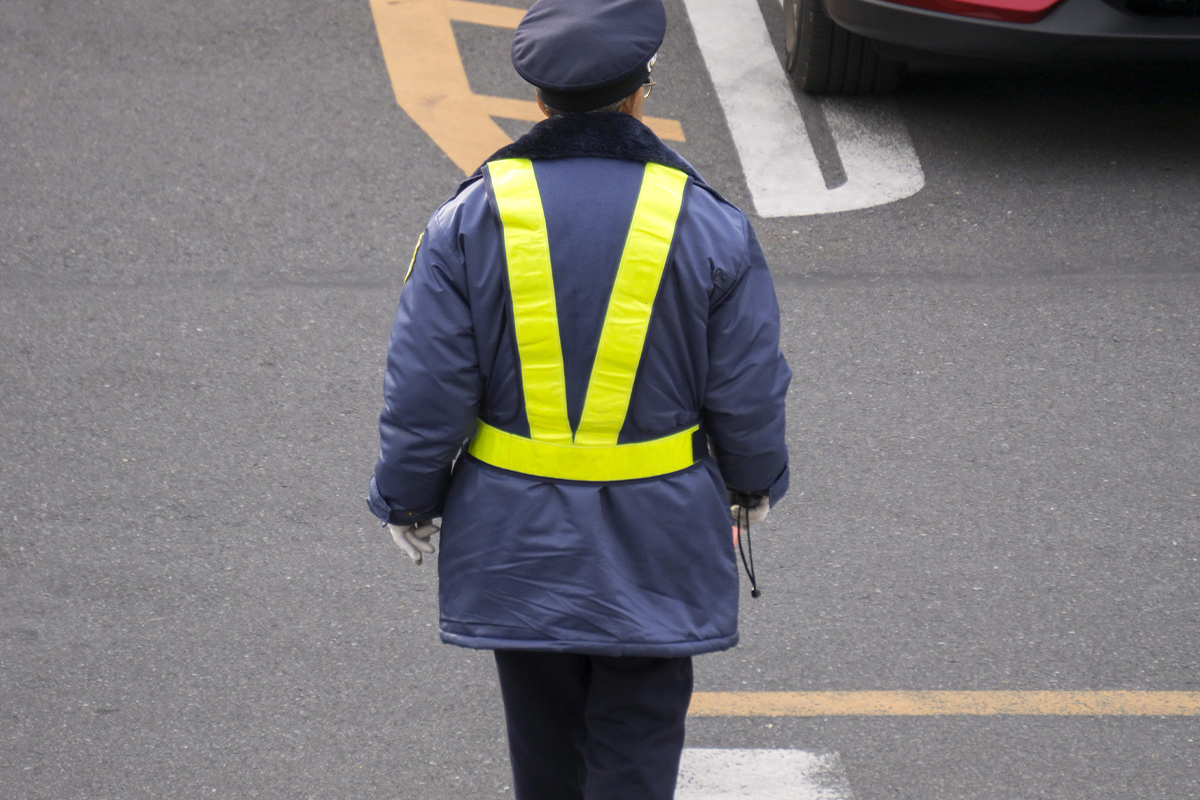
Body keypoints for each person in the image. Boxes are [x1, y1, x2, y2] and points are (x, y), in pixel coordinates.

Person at [367, 0, 790, 797]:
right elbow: (748, 389)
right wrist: (752, 482)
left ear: (537, 101)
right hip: (659, 535)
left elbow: (426, 384)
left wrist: (407, 498)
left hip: (518, 541)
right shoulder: (707, 223)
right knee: (636, 748)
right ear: (641, 92)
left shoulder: (472, 218)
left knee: (545, 753)